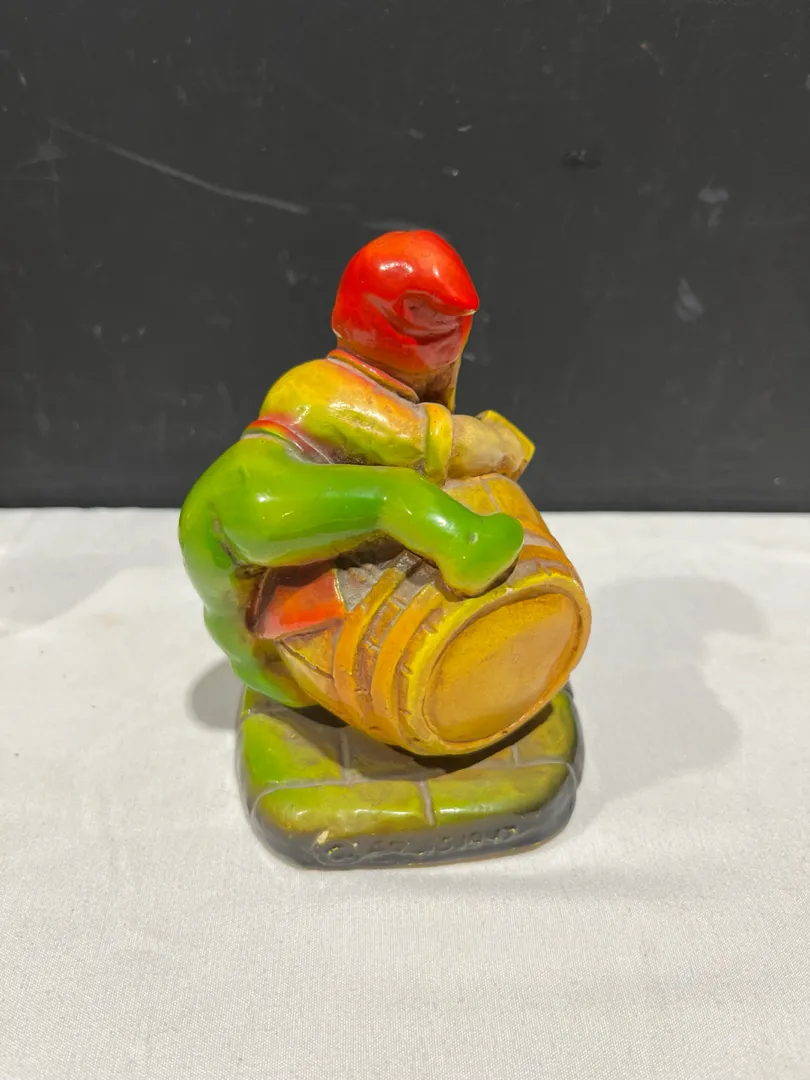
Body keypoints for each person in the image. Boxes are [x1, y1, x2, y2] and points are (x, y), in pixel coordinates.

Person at [179, 230, 532, 704]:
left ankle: (264, 672)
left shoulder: (331, 379)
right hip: (255, 497)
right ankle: (468, 545)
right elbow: (421, 442)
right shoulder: (327, 386)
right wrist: (505, 445)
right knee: (391, 495)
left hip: (216, 510)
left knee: (226, 609)